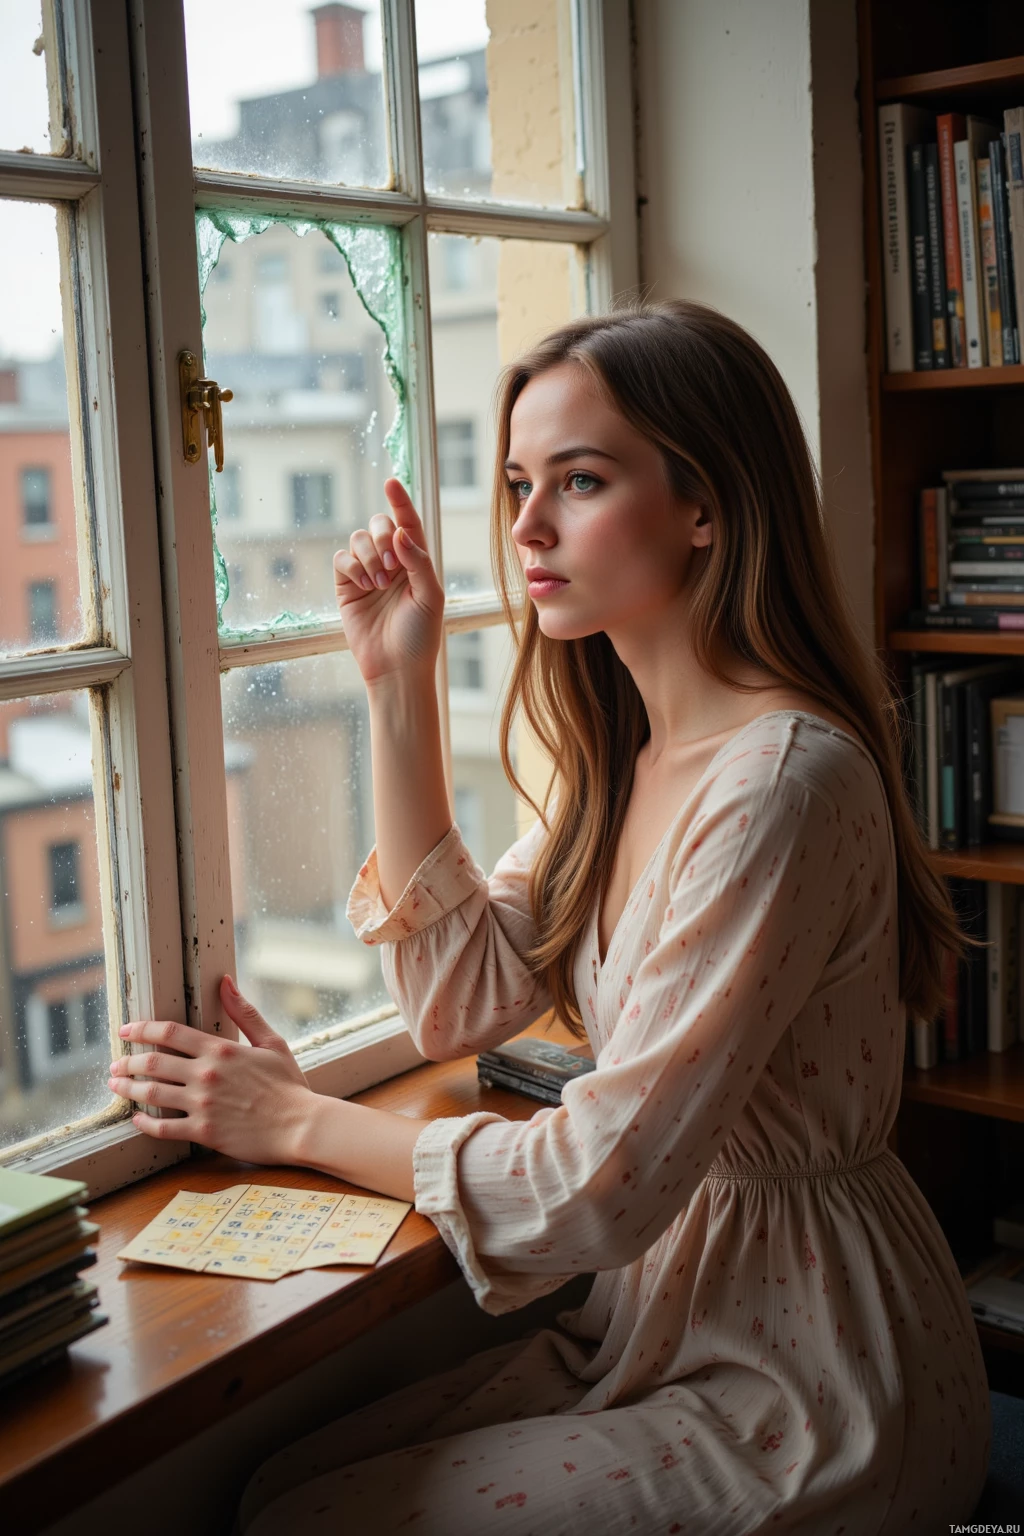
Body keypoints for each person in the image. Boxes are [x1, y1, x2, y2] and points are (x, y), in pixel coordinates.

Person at [110, 301, 990, 1533]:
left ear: (706, 504)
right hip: (664, 1322)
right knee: (277, 1492)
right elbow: (456, 1004)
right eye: (521, 482)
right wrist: (399, 685)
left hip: (814, 1376)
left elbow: (599, 1191)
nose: (524, 524)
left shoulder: (781, 783)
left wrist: (295, 1120)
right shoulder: (630, 759)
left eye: (577, 481)